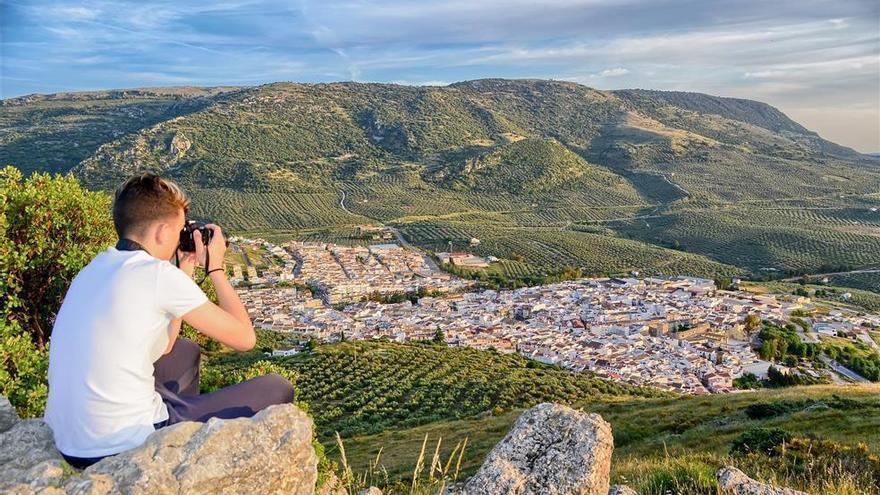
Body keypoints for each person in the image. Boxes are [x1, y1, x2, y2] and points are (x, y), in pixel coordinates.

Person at [43, 173, 295, 469]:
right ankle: (177, 448)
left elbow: (166, 346)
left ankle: (180, 427)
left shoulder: (95, 267)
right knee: (277, 387)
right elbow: (244, 338)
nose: (179, 239)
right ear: (163, 232)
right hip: (121, 444)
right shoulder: (155, 275)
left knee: (184, 351)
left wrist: (185, 266)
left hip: (70, 442)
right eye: (179, 232)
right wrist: (216, 269)